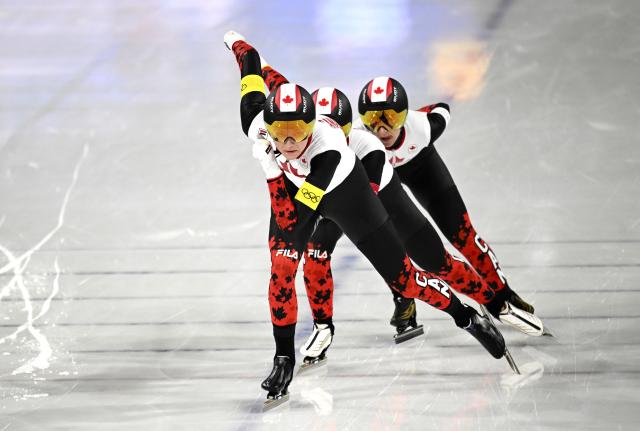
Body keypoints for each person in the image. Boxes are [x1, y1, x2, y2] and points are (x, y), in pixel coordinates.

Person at [223, 31, 507, 407]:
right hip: (298, 189)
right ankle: (283, 359)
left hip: (346, 194)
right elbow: (252, 69)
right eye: (281, 133)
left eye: (299, 132)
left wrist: (272, 171)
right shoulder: (256, 121)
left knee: (404, 280)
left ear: (313, 127)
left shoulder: (327, 151)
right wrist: (239, 44)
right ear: (268, 127)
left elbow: (299, 217)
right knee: (281, 268)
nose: (289, 142)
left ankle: (464, 314)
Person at [258, 59, 544, 368]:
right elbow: (281, 92)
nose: (382, 128)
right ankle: (323, 328)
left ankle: (493, 302)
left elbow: (369, 212)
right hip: (332, 197)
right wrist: (255, 61)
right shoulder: (303, 137)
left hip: (372, 197)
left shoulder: (367, 145)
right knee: (315, 257)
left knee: (431, 262)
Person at [355, 76, 545, 336]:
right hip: (386, 178)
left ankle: (504, 294)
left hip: (421, 165)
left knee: (464, 235)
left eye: (391, 118)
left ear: (405, 115)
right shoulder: (357, 140)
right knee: (394, 244)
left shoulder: (423, 126)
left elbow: (442, 108)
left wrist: (415, 115)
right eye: (372, 121)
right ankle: (403, 299)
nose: (382, 129)